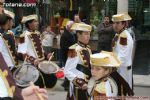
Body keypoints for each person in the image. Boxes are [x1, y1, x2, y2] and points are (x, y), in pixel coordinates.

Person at [64, 23, 92, 100]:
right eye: (86, 34)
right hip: (79, 86)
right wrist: (80, 82)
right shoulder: (74, 49)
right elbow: (67, 71)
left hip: (88, 84)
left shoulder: (88, 48)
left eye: (89, 34)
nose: (88, 36)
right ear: (78, 35)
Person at [111, 13, 134, 89]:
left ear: (124, 24)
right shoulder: (118, 34)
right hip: (119, 67)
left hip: (122, 69)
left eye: (117, 23)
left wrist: (112, 66)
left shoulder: (124, 36)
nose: (115, 25)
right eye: (114, 23)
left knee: (122, 91)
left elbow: (123, 56)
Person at [60, 21, 76, 90]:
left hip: (71, 54)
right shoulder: (64, 35)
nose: (73, 28)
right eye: (72, 26)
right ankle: (66, 85)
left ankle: (66, 83)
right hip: (66, 55)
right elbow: (63, 46)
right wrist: (71, 48)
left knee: (69, 69)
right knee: (67, 69)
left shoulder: (71, 33)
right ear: (68, 26)